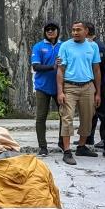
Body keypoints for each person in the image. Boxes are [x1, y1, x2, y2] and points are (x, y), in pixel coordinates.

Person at [55, 21, 100, 165]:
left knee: (87, 119)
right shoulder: (65, 46)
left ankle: (81, 146)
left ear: (86, 31)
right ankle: (67, 151)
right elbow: (60, 70)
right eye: (73, 30)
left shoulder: (93, 46)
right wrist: (60, 91)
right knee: (67, 118)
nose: (75, 32)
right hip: (70, 87)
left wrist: (98, 92)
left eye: (78, 30)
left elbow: (97, 70)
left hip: (88, 87)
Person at [30, 22, 62, 157]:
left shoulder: (63, 46)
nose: (50, 31)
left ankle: (62, 143)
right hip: (42, 87)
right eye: (47, 29)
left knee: (64, 116)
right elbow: (36, 66)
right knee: (41, 117)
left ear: (57, 31)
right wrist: (53, 67)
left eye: (53, 29)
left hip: (60, 87)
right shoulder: (38, 46)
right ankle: (43, 147)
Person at [85, 22, 105, 150]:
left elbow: (100, 67)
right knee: (91, 112)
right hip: (91, 82)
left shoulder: (98, 46)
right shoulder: (88, 45)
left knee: (102, 112)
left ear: (87, 31)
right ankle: (88, 137)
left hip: (101, 83)